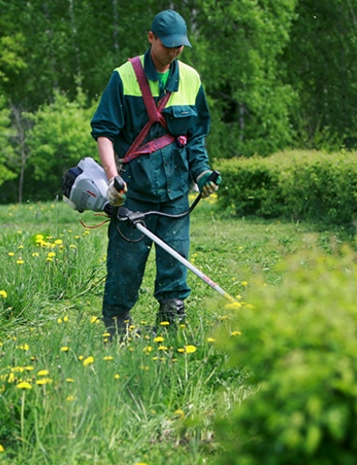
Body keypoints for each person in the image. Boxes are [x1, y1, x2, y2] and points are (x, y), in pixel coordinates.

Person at [90, 9, 220, 340]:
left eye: (180, 46)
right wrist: (111, 178)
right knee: (125, 265)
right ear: (151, 38)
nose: (175, 52)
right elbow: (104, 131)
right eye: (169, 46)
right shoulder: (123, 77)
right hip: (132, 192)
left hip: (176, 192)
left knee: (175, 263)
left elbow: (195, 137)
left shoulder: (191, 79)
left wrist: (202, 172)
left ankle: (171, 326)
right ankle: (117, 328)